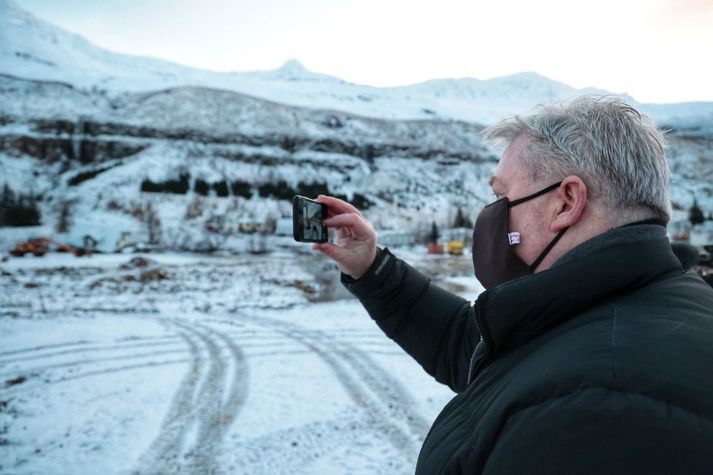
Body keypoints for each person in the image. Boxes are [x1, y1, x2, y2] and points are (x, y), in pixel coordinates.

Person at [312, 96, 713, 474]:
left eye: (502, 195)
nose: (493, 215)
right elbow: (465, 344)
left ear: (567, 202)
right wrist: (371, 266)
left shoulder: (595, 411)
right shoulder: (634, 300)